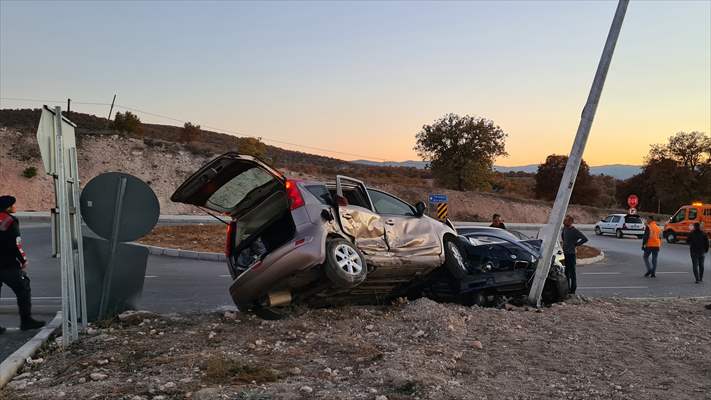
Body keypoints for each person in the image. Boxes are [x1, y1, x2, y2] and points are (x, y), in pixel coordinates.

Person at [0, 195, 45, 334]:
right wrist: (23, 260)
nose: (15, 207)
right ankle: (26, 321)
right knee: (23, 288)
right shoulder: (10, 220)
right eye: (13, 204)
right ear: (7, 207)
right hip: (7, 265)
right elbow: (16, 244)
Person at [561, 215, 588, 295]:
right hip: (565, 253)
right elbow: (563, 237)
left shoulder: (575, 230)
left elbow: (584, 239)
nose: (564, 222)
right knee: (566, 273)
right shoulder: (564, 229)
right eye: (564, 220)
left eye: (566, 221)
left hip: (571, 254)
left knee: (572, 273)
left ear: (570, 222)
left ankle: (573, 291)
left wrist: (576, 244)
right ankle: (567, 289)